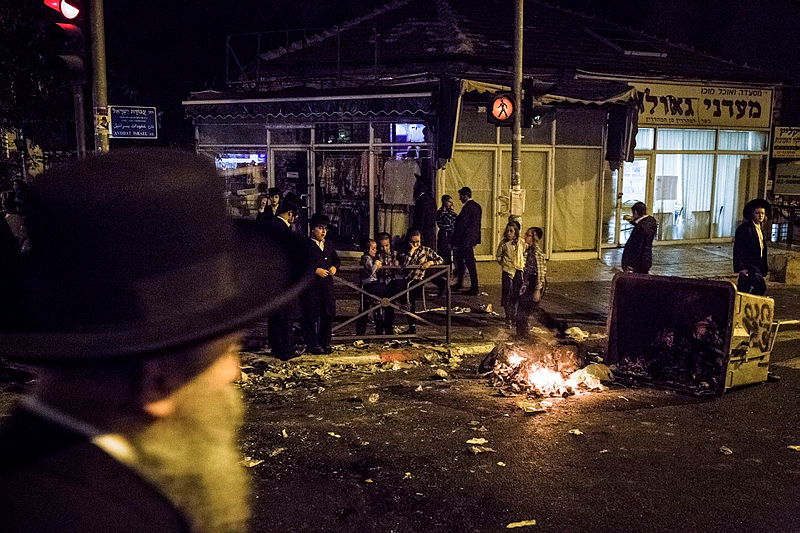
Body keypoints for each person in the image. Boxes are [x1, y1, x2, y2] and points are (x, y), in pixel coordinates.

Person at [0, 148, 312, 533]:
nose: (237, 372)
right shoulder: (117, 519)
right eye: (231, 349)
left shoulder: (22, 466)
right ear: (158, 382)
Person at [263, 192, 305, 359]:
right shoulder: (283, 229)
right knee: (286, 316)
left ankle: (276, 346)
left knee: (275, 316)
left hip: (273, 278)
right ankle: (285, 349)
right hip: (284, 278)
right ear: (290, 214)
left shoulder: (272, 225)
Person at [301, 213, 340, 354]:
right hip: (311, 287)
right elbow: (301, 264)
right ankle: (312, 344)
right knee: (311, 316)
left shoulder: (328, 244)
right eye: (320, 228)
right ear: (313, 229)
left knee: (327, 315)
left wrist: (335, 267)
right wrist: (315, 270)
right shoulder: (305, 244)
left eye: (325, 229)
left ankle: (325, 342)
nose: (323, 231)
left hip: (326, 287)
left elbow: (336, 260)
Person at [401, 229, 443, 334]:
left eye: (417, 242)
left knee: (410, 299)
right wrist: (411, 252)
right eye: (413, 242)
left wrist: (430, 262)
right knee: (404, 299)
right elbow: (404, 264)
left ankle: (412, 326)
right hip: (405, 279)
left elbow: (441, 259)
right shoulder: (404, 250)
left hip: (417, 279)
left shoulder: (426, 250)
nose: (415, 244)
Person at [733, 198, 771, 295]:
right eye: (757, 213)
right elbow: (738, 249)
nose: (760, 216)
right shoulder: (744, 229)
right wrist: (741, 267)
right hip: (749, 265)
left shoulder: (760, 229)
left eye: (762, 213)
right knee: (760, 287)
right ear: (752, 214)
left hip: (758, 264)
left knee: (746, 289)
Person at [516, 227, 547, 340]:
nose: (525, 237)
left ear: (535, 238)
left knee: (529, 310)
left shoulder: (536, 253)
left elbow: (540, 272)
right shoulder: (528, 250)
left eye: (528, 235)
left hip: (534, 283)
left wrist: (537, 290)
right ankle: (521, 334)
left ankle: (555, 326)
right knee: (523, 309)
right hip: (528, 282)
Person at [452, 186, 482, 295]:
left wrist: (455, 240)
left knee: (465, 263)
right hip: (471, 240)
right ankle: (465, 284)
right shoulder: (477, 206)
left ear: (465, 195)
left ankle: (471, 286)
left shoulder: (467, 208)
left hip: (464, 241)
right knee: (467, 262)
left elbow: (461, 225)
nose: (460, 198)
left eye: (460, 196)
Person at [496, 222, 525, 328]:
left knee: (516, 295)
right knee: (507, 294)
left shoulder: (521, 243)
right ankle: (508, 317)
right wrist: (503, 263)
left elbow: (524, 253)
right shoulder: (504, 243)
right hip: (508, 271)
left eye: (511, 231)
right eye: (507, 231)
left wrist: (523, 264)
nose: (509, 233)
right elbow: (498, 255)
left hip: (518, 270)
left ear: (516, 232)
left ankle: (514, 317)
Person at [375, 231, 404, 335]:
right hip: (380, 282)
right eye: (382, 246)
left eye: (387, 245)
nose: (385, 249)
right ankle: (378, 328)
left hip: (392, 282)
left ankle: (389, 328)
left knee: (390, 306)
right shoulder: (376, 255)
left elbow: (402, 268)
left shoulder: (395, 254)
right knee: (378, 307)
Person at [356, 238, 384, 335]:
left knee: (376, 308)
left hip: (371, 284)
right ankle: (361, 332)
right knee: (365, 309)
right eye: (373, 248)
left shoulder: (372, 258)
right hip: (368, 284)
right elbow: (371, 270)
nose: (375, 251)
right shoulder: (366, 258)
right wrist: (376, 265)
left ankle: (379, 331)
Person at [621, 201, 658, 274]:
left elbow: (637, 247)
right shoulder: (651, 221)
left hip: (637, 262)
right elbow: (643, 224)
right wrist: (633, 221)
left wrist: (630, 263)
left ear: (635, 212)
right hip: (646, 259)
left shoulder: (640, 229)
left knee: (636, 282)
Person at [412, 176, 437, 251]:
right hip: (429, 233)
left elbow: (420, 220)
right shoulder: (431, 200)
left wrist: (416, 232)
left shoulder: (422, 201)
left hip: (422, 233)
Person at [436, 194, 457, 262]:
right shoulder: (440, 212)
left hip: (451, 234)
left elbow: (455, 220)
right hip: (444, 234)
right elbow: (441, 222)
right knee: (443, 252)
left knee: (451, 253)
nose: (450, 203)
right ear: (444, 201)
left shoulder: (451, 212)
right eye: (449, 201)